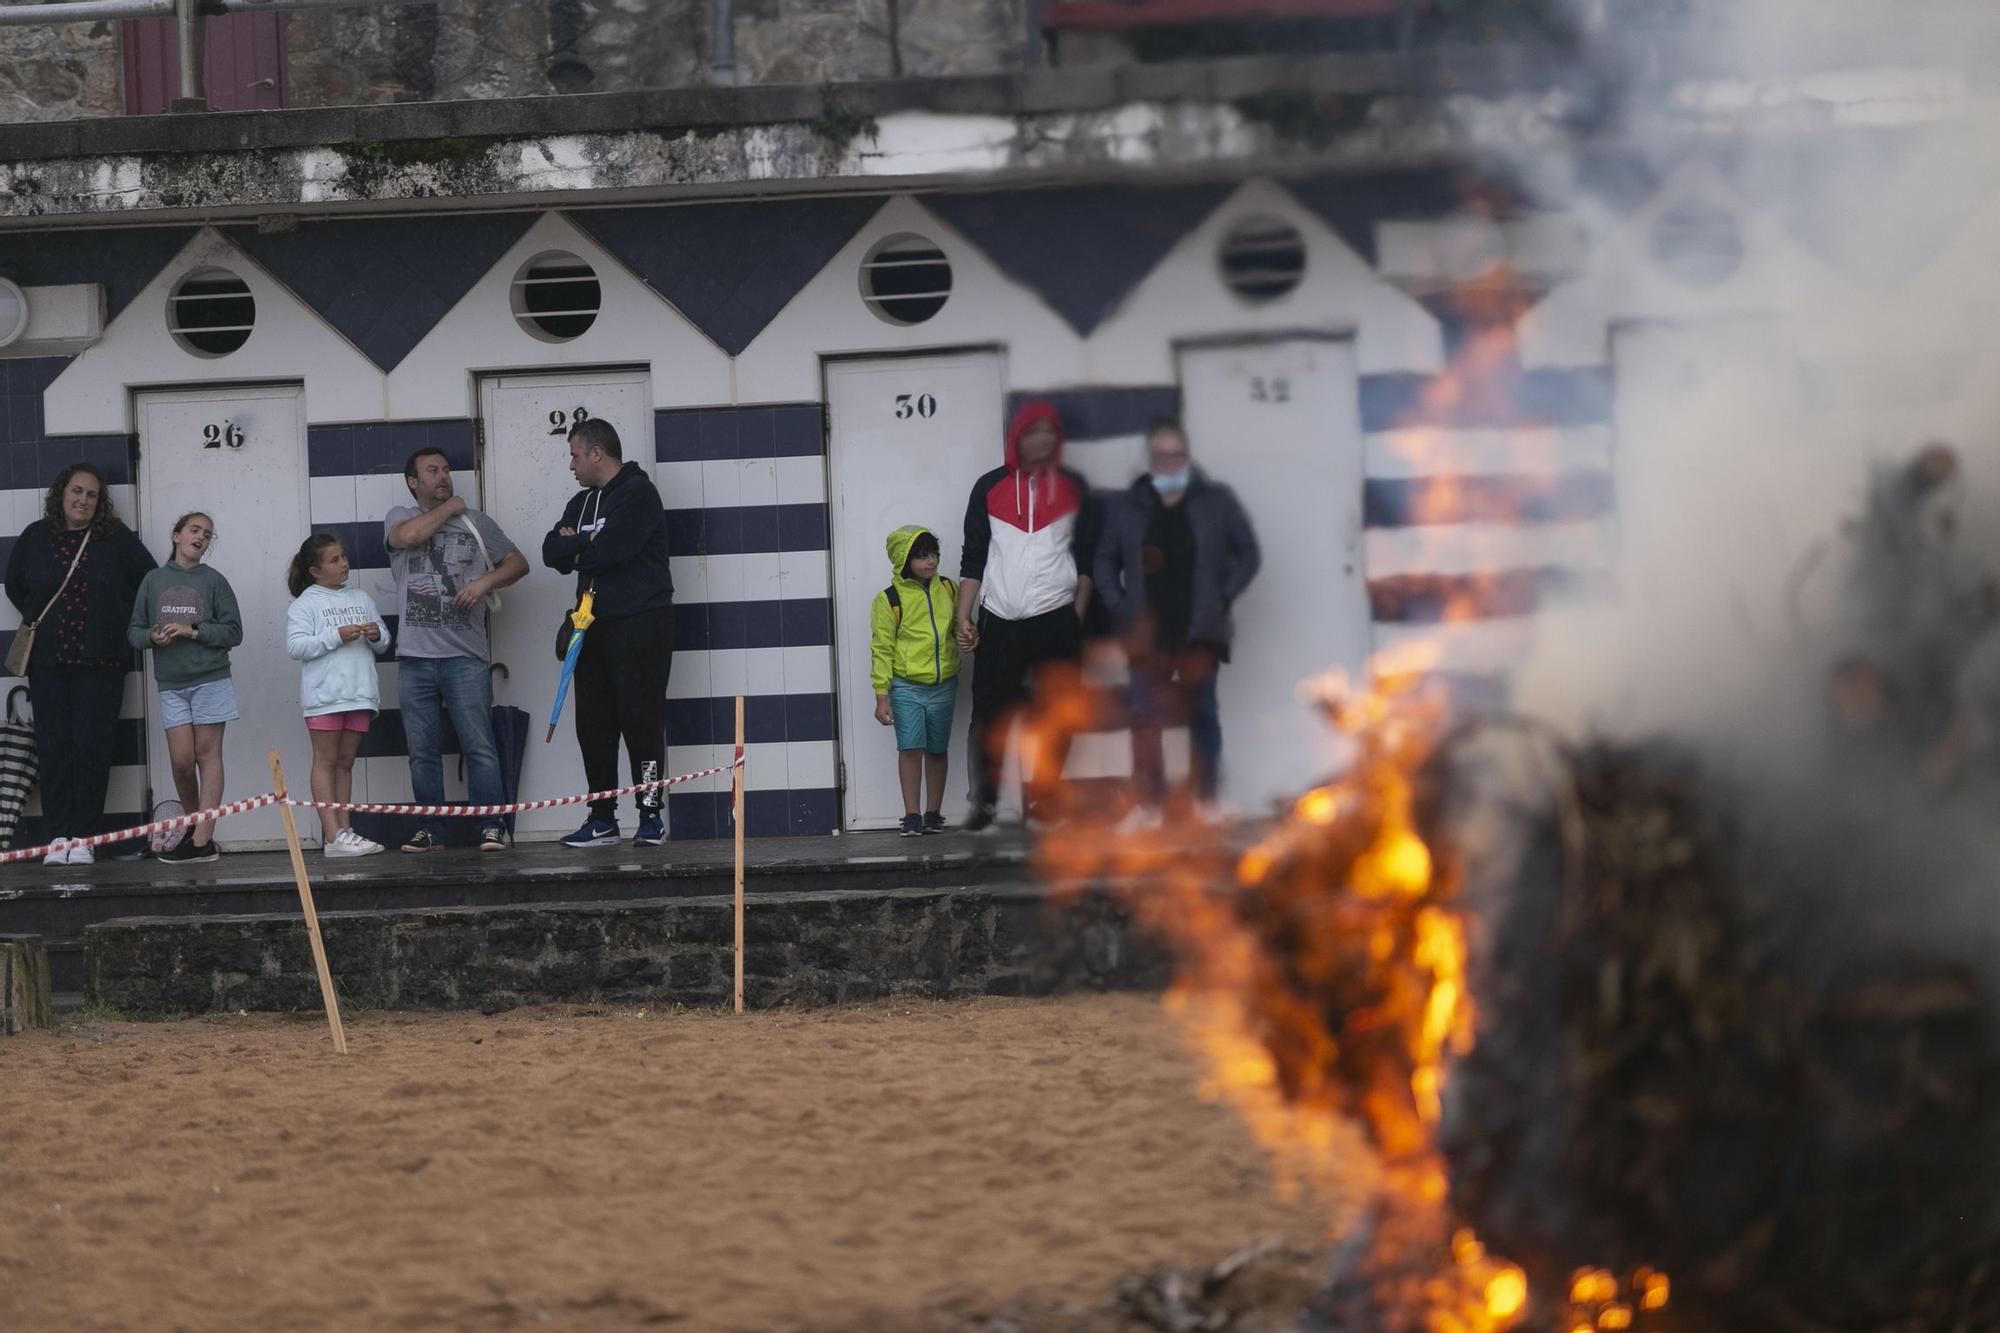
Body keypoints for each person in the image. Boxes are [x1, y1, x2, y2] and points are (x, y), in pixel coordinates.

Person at [1094, 418, 1261, 830]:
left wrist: (1222, 596)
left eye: (1175, 454)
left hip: (1197, 629)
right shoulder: (1129, 505)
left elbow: (1248, 552)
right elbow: (1103, 560)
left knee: (1203, 716)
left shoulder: (1215, 501)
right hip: (1146, 633)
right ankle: (1148, 807)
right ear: (1149, 459)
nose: (1168, 463)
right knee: (1145, 720)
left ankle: (1208, 802)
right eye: (1160, 455)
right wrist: (1120, 605)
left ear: (1187, 456)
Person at [954, 400, 1099, 833]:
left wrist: (1076, 611)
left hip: (1055, 618)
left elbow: (1089, 556)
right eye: (1032, 431)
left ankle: (1046, 799)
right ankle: (985, 802)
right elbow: (973, 556)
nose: (1042, 439)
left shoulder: (1074, 488)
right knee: (988, 718)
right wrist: (965, 616)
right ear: (1016, 436)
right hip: (998, 620)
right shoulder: (988, 487)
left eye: (1049, 431)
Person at [4, 463, 156, 866]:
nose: (83, 499)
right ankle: (58, 838)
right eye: (76, 491)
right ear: (61, 493)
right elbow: (15, 582)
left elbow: (149, 582)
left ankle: (84, 838)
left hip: (101, 664)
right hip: (48, 663)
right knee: (54, 749)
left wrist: (116, 619)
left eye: (91, 494)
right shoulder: (36, 537)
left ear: (99, 501)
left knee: (93, 748)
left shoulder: (116, 539)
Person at [384, 447, 530, 853]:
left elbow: (518, 563)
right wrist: (450, 507)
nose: (443, 475)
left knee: (479, 746)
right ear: (413, 482)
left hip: (465, 657)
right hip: (415, 658)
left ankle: (491, 824)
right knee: (422, 752)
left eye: (446, 469)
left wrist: (484, 584)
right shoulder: (399, 516)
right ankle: (432, 827)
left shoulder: (476, 522)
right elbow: (411, 537)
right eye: (432, 471)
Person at [541, 417, 676, 849]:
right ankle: (602, 818)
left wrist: (578, 545)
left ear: (596, 453)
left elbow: (616, 551)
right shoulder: (581, 503)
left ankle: (651, 816)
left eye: (574, 456)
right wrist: (584, 545)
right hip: (590, 625)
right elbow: (550, 552)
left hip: (640, 623)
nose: (572, 466)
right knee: (593, 724)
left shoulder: (639, 493)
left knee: (641, 721)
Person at [127, 512, 243, 863]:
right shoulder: (153, 579)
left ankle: (202, 840)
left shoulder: (215, 581)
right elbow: (134, 631)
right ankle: (195, 826)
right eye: (194, 530)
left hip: (211, 678)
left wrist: (193, 629)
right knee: (181, 761)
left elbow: (234, 632)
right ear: (175, 535)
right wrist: (152, 636)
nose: (201, 537)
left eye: (208, 534)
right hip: (172, 683)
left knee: (208, 755)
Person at [285, 534, 392, 858]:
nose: (344, 563)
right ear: (315, 571)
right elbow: (296, 646)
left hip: (359, 694)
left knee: (345, 763)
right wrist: (335, 635)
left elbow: (384, 640)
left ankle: (345, 831)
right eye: (335, 560)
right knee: (326, 762)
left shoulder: (360, 597)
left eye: (343, 556)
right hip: (325, 696)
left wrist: (375, 634)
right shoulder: (305, 603)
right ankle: (331, 835)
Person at [870, 526, 962, 836]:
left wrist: (968, 635)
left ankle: (933, 813)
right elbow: (881, 649)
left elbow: (960, 627)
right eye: (922, 556)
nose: (931, 561)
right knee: (911, 748)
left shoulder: (949, 588)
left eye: (933, 554)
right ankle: (912, 815)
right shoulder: (889, 599)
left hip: (944, 684)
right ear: (903, 559)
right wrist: (882, 695)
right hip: (906, 686)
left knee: (937, 749)